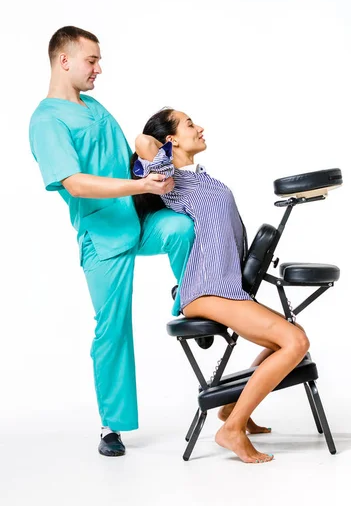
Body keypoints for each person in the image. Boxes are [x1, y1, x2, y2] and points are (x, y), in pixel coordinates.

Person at [29, 27, 194, 457]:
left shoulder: (95, 106)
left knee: (182, 228)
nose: (98, 69)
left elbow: (126, 162)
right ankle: (111, 426)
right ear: (64, 61)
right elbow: (75, 183)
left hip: (137, 220)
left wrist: (155, 161)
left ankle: (189, 299)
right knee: (113, 328)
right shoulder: (46, 121)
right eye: (92, 60)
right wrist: (136, 188)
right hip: (103, 238)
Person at [132, 108, 310, 464]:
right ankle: (231, 430)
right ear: (171, 140)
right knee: (295, 342)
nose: (200, 128)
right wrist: (162, 149)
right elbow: (141, 142)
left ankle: (231, 407)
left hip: (226, 286)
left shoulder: (202, 177)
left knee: (292, 338)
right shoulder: (168, 179)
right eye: (189, 124)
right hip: (206, 287)